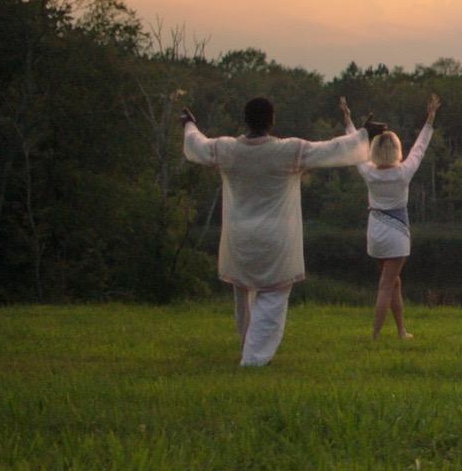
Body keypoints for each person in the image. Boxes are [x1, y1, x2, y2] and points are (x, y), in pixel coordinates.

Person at [181, 96, 379, 367]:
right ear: (272, 121)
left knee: (244, 297)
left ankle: (247, 348)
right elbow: (333, 149)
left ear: (246, 120)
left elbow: (197, 145)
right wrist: (365, 133)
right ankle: (253, 358)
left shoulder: (227, 149)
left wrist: (190, 124)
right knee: (272, 298)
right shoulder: (288, 151)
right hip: (276, 239)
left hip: (239, 237)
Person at [352, 93, 439, 340]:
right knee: (386, 285)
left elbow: (354, 147)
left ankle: (401, 330)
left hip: (375, 230)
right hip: (397, 232)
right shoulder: (403, 172)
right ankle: (375, 335)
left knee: (393, 282)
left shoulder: (368, 171)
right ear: (396, 150)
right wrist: (430, 118)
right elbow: (420, 147)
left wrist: (352, 124)